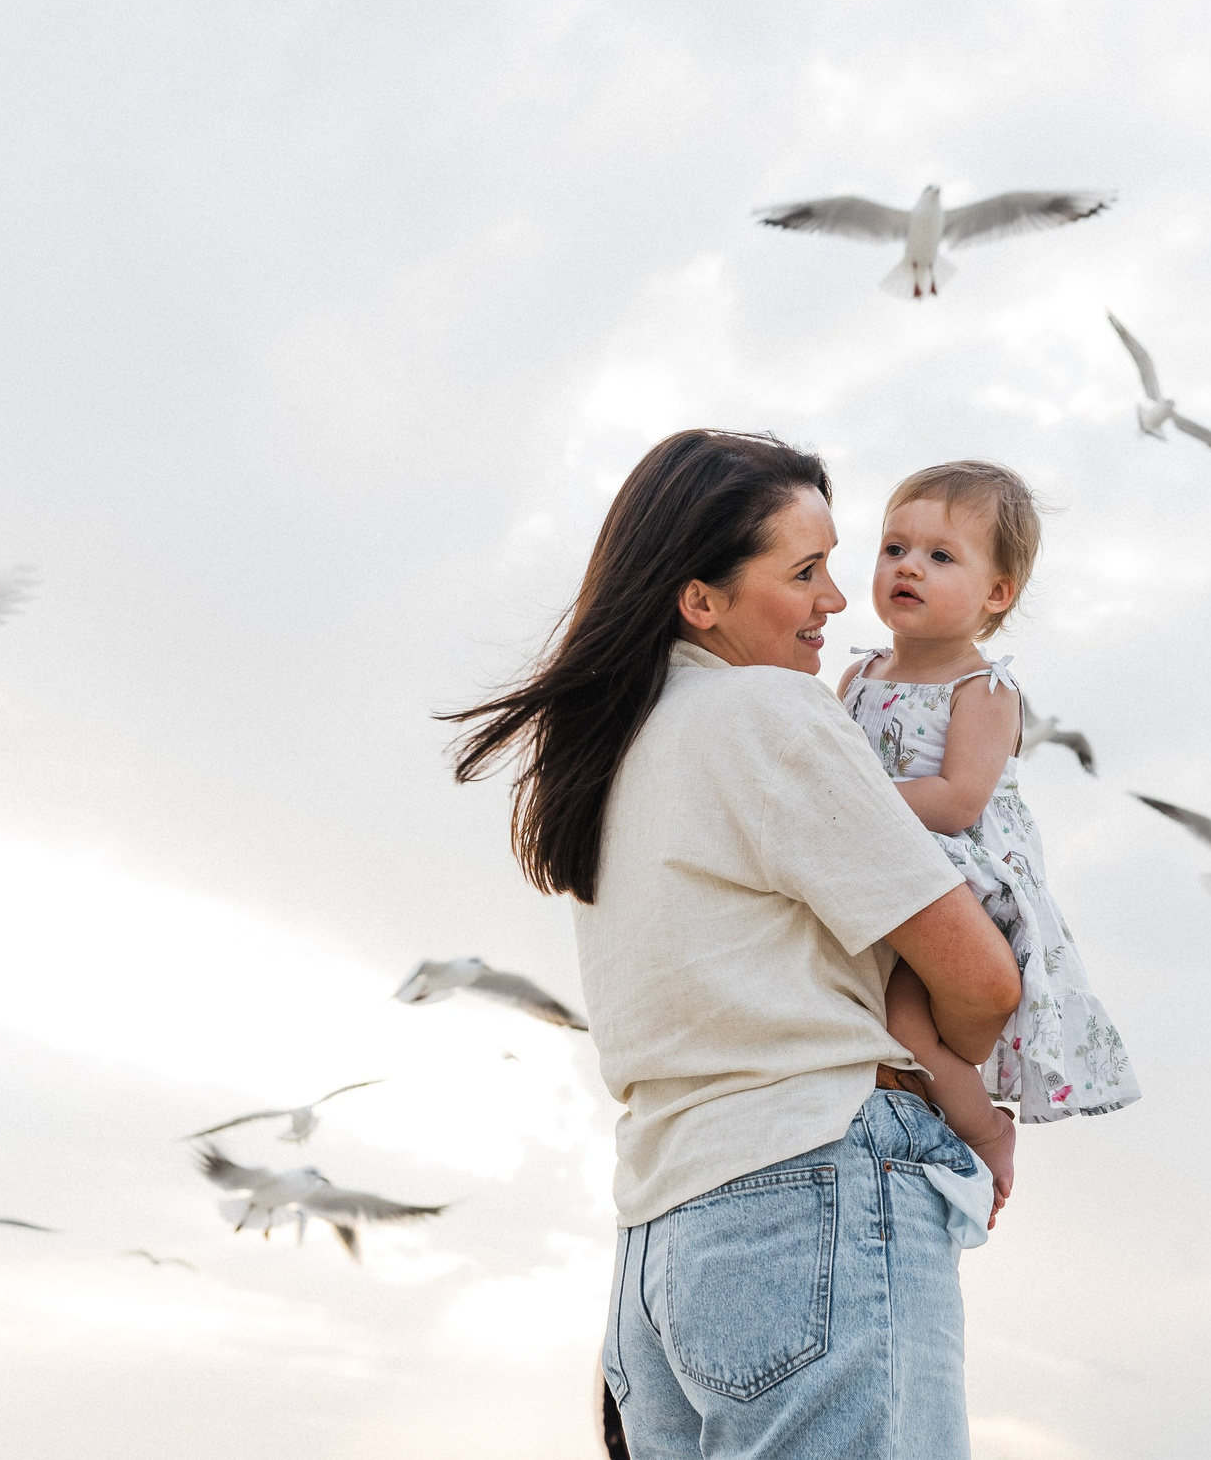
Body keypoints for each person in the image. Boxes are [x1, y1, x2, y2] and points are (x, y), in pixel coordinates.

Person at [446, 429, 1021, 1460]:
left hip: (663, 1247)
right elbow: (980, 975)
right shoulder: (768, 712)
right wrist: (948, 1072)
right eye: (803, 573)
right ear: (699, 599)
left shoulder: (617, 755)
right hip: (811, 1192)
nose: (837, 602)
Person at [836, 462, 1141, 1225]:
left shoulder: (985, 688)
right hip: (878, 872)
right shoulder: (857, 675)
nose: (908, 565)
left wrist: (844, 810)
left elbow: (957, 800)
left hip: (959, 877)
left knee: (907, 1024)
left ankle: (985, 1129)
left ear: (996, 593)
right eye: (894, 547)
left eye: (941, 556)